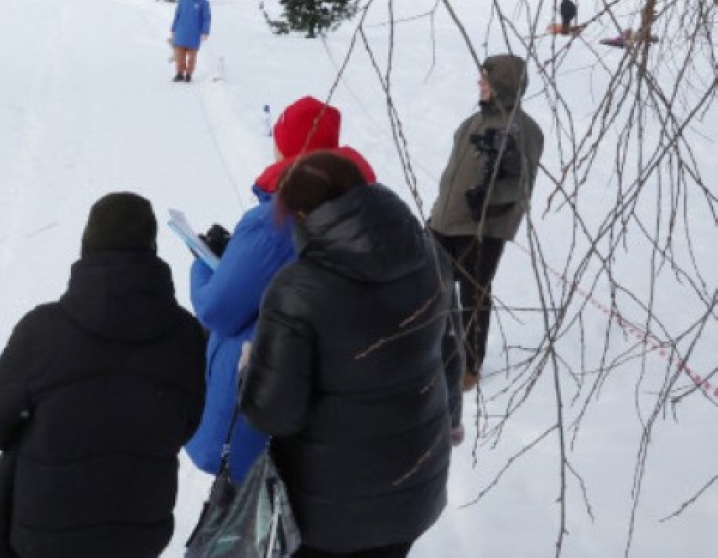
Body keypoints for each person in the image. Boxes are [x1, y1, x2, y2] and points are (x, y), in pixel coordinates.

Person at [240, 151, 464, 558]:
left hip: (331, 511)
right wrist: (452, 421)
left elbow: (274, 413)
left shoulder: (298, 290)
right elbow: (450, 351)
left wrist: (248, 371)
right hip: (414, 486)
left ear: (304, 213)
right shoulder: (430, 254)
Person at [0, 192, 206, 556]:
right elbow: (188, 425)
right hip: (138, 533)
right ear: (152, 247)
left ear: (86, 245)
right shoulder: (186, 334)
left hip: (45, 533)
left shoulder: (41, 330)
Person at [186, 96, 373, 483]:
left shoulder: (275, 222)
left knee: (247, 511)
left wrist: (201, 265)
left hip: (265, 392)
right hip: (331, 402)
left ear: (289, 149)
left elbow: (218, 310)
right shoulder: (361, 207)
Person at [428, 54, 544, 390]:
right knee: (431, 285)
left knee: (473, 296)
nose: (479, 85)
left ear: (502, 86)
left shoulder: (524, 131)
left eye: (486, 80)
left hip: (482, 228)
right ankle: (431, 347)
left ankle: (470, 364)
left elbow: (522, 185)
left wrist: (489, 197)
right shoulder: (471, 124)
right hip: (445, 221)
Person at [169, 0, 211, 82]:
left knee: (192, 57)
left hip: (194, 34)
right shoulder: (183, 0)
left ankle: (188, 74)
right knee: (179, 55)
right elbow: (177, 15)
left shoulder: (204, 3)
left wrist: (205, 31)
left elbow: (206, 18)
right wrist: (174, 28)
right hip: (181, 32)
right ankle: (179, 73)